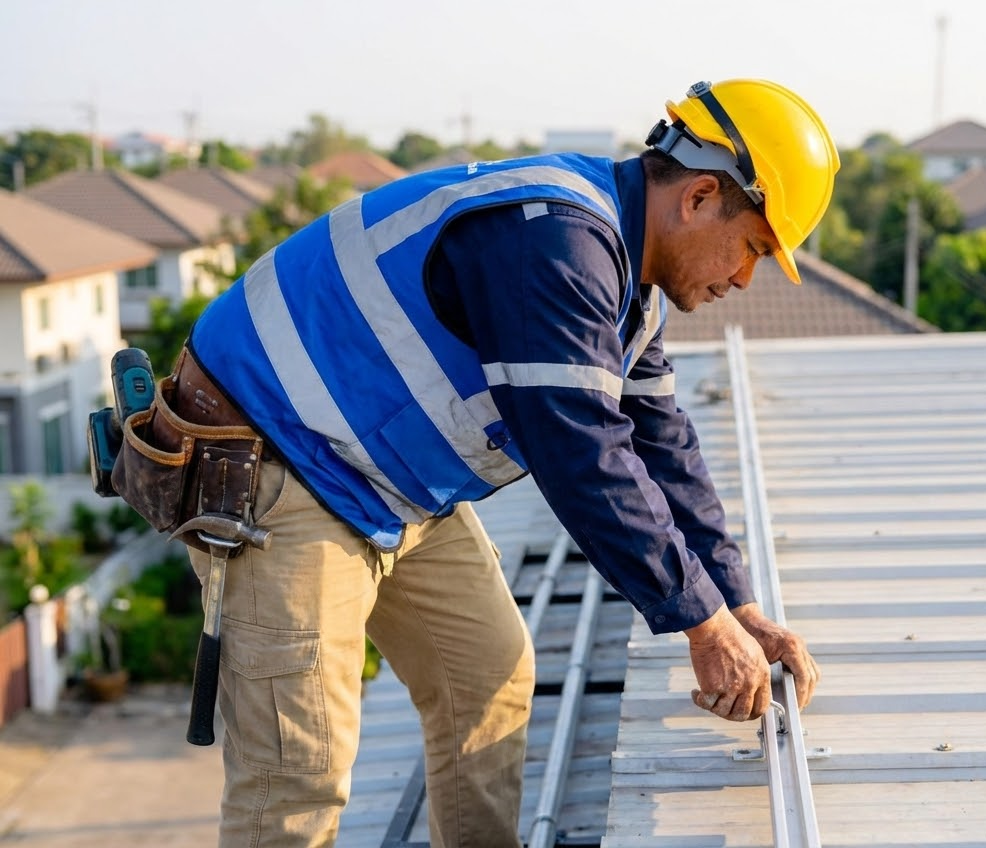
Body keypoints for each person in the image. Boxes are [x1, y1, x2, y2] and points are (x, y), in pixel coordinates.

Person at [156, 78, 839, 847]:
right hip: (282, 465)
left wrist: (739, 606)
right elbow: (583, 455)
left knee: (486, 681)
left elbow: (660, 442)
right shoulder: (553, 242)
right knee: (299, 770)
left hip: (384, 482)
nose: (744, 278)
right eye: (750, 247)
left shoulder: (627, 283)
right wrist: (703, 626)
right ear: (700, 196)